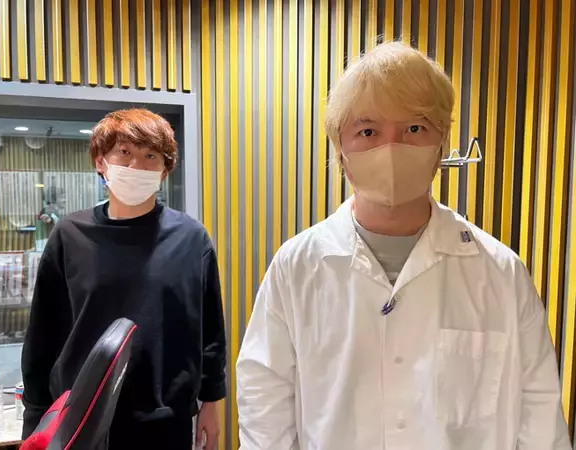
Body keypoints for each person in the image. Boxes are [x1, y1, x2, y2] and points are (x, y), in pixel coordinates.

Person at [236, 42, 570, 449]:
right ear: (340, 148)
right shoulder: (297, 268)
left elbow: (539, 416)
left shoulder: (500, 272)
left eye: (414, 128)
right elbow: (264, 407)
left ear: (441, 141)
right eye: (368, 131)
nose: (391, 148)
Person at [22, 108, 226, 449]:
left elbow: (210, 332)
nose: (136, 166)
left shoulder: (191, 238)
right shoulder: (70, 235)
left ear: (165, 169)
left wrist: (212, 400)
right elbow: (43, 335)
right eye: (124, 152)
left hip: (165, 420)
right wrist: (34, 417)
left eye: (150, 156)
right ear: (101, 162)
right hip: (78, 419)